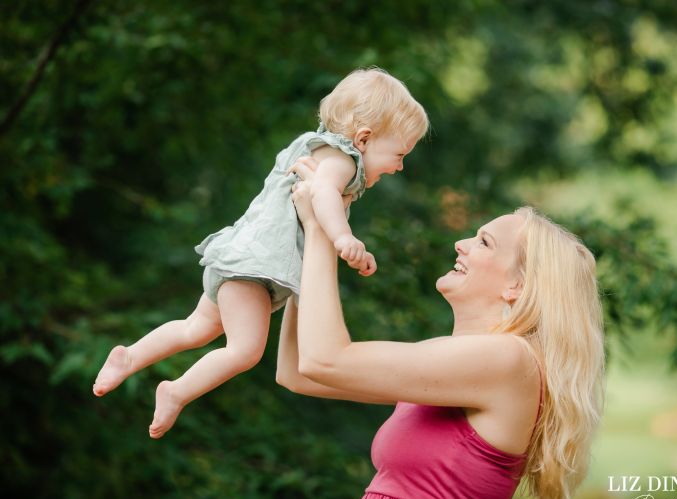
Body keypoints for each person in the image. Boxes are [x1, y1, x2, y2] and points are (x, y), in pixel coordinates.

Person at [92, 68, 429, 439]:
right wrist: (343, 237)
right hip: (255, 269)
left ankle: (130, 356)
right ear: (363, 138)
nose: (399, 167)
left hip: (238, 256)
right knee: (244, 351)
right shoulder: (343, 161)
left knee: (196, 327)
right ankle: (176, 391)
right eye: (399, 154)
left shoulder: (312, 146)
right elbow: (320, 194)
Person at [276, 157, 605, 499]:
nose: (461, 243)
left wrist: (319, 230)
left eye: (484, 242)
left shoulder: (508, 358)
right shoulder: (452, 361)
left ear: (517, 285)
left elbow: (324, 360)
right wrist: (311, 238)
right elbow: (296, 371)